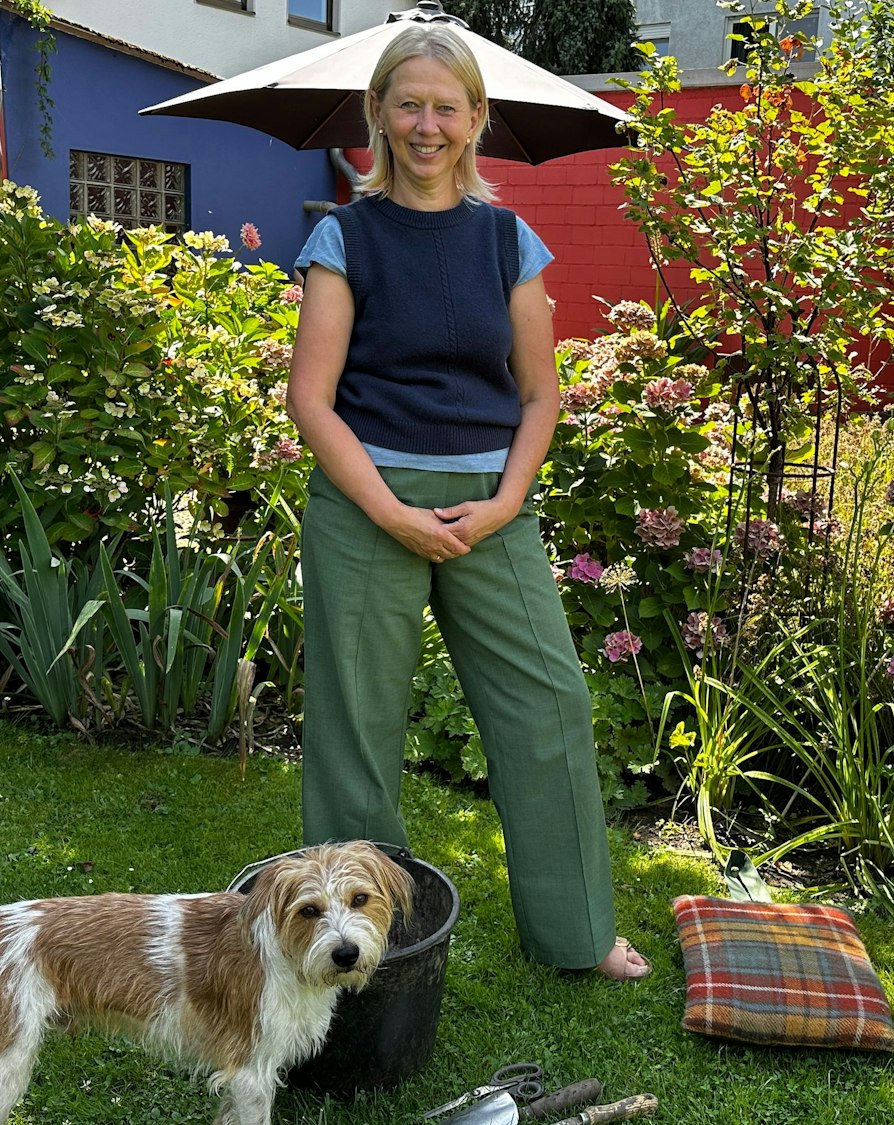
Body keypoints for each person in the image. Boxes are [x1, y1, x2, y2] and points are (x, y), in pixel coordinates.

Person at [284, 22, 650, 981]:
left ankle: (575, 934)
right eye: (407, 103)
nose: (427, 124)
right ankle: (355, 955)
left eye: (447, 106)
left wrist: (499, 505)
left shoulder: (507, 239)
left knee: (548, 706)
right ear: (377, 116)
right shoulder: (344, 236)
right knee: (355, 731)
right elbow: (310, 400)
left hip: (494, 506)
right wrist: (392, 513)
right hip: (367, 503)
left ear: (478, 119)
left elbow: (540, 394)